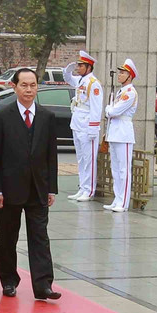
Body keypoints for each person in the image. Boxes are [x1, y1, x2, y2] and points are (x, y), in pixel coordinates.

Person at [0, 68, 60, 300]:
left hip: (38, 188)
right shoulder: (2, 115)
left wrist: (51, 188)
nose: (29, 90)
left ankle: (43, 285)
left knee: (40, 237)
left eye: (33, 85)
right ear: (14, 87)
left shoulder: (47, 116)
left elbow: (51, 155)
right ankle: (9, 280)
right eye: (24, 85)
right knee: (8, 236)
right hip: (9, 189)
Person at [63, 51, 103, 201]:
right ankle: (82, 187)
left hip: (87, 125)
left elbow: (96, 107)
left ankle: (89, 190)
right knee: (81, 159)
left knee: (89, 160)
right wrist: (68, 70)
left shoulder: (93, 83)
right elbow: (68, 79)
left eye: (81, 66)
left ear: (89, 67)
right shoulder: (81, 80)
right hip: (78, 123)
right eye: (78, 65)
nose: (78, 68)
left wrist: (93, 127)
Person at [103, 58, 137, 213]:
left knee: (124, 170)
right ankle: (117, 199)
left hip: (124, 133)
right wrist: (110, 110)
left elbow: (114, 111)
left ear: (129, 76)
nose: (120, 75)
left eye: (123, 73)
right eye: (120, 72)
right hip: (115, 132)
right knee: (115, 169)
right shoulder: (120, 92)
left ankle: (123, 202)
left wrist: (108, 110)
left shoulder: (130, 93)